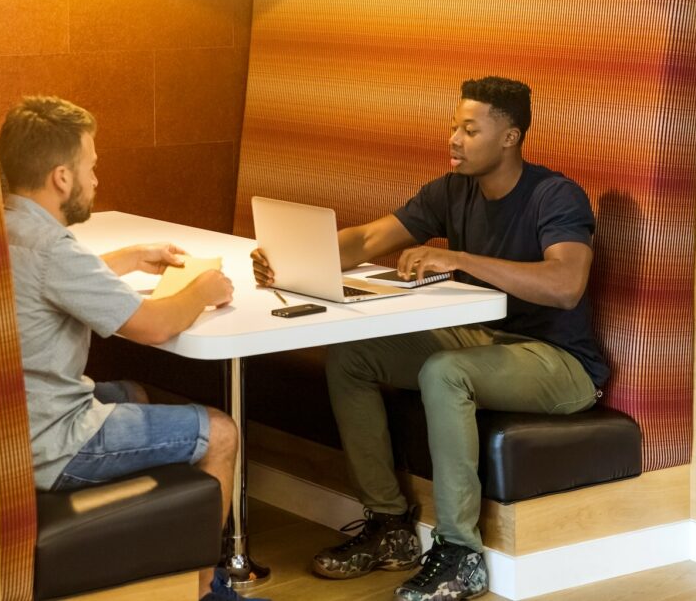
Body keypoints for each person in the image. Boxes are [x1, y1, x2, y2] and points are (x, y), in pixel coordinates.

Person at [251, 77, 610, 601]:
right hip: (484, 337)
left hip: (559, 361)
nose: (454, 139)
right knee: (354, 357)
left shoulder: (554, 195)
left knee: (444, 372)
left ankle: (461, 554)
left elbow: (564, 285)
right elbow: (371, 238)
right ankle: (391, 526)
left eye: (470, 129)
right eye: (453, 126)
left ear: (509, 137)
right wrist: (291, 255)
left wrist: (460, 259)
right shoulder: (453, 190)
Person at [0, 95, 267, 601]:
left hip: (10, 428)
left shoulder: (3, 227)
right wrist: (203, 289)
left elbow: (55, 278)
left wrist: (130, 257)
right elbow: (153, 327)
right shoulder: (54, 248)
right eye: (91, 167)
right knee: (220, 431)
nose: (95, 180)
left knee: (134, 392)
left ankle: (154, 564)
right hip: (53, 441)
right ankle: (209, 589)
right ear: (61, 177)